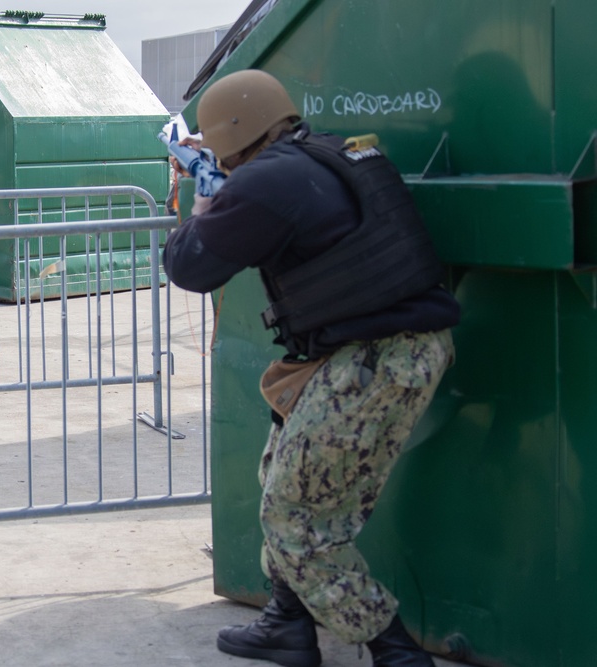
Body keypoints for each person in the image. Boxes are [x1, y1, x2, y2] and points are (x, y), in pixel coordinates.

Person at [163, 69, 460, 667]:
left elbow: (191, 267)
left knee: (294, 515)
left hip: (372, 363)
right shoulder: (325, 154)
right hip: (383, 352)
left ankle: (394, 650)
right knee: (281, 475)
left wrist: (202, 198)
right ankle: (287, 622)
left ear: (233, 136)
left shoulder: (265, 184)